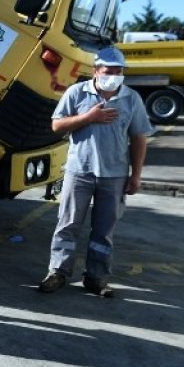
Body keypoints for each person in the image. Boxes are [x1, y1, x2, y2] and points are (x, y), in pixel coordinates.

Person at [39, 46, 152, 298]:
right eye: (108, 70)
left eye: (119, 71)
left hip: (114, 175)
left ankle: (96, 277)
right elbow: (57, 125)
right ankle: (57, 271)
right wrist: (88, 117)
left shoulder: (131, 98)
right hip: (79, 171)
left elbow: (139, 138)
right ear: (96, 71)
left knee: (103, 230)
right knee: (67, 224)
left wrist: (135, 175)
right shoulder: (77, 93)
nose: (114, 75)